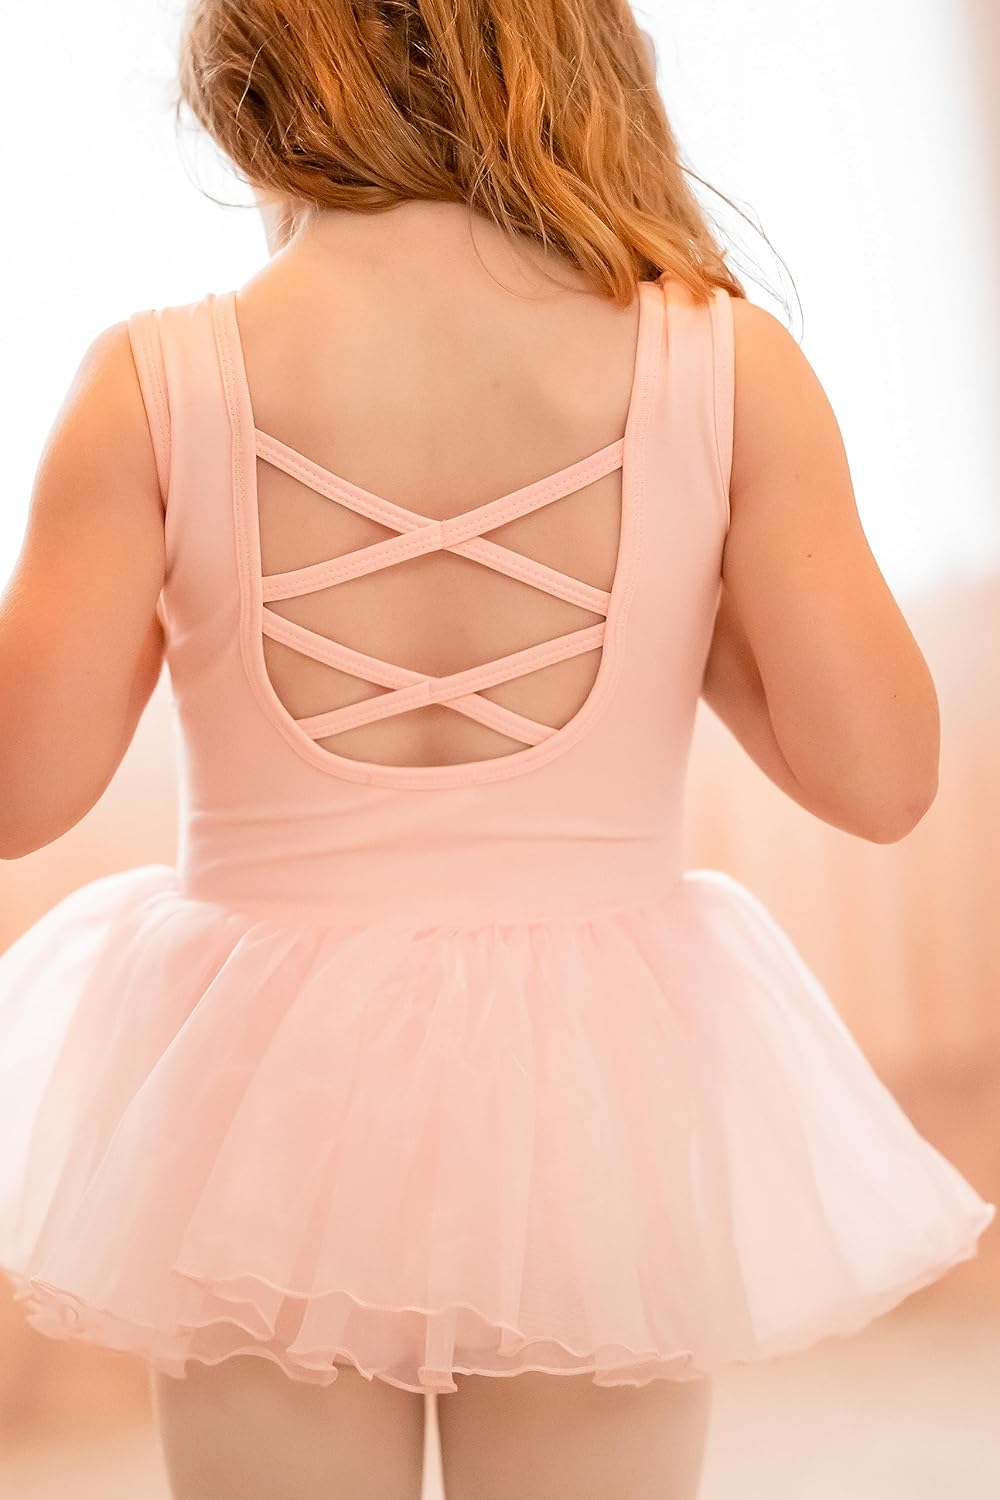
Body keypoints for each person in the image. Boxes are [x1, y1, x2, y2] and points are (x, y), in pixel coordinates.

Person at [0, 4, 993, 1498]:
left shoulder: (156, 380)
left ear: (255, 84)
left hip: (260, 1079)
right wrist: (687, 604)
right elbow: (882, 779)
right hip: (591, 1071)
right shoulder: (718, 363)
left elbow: (22, 793)